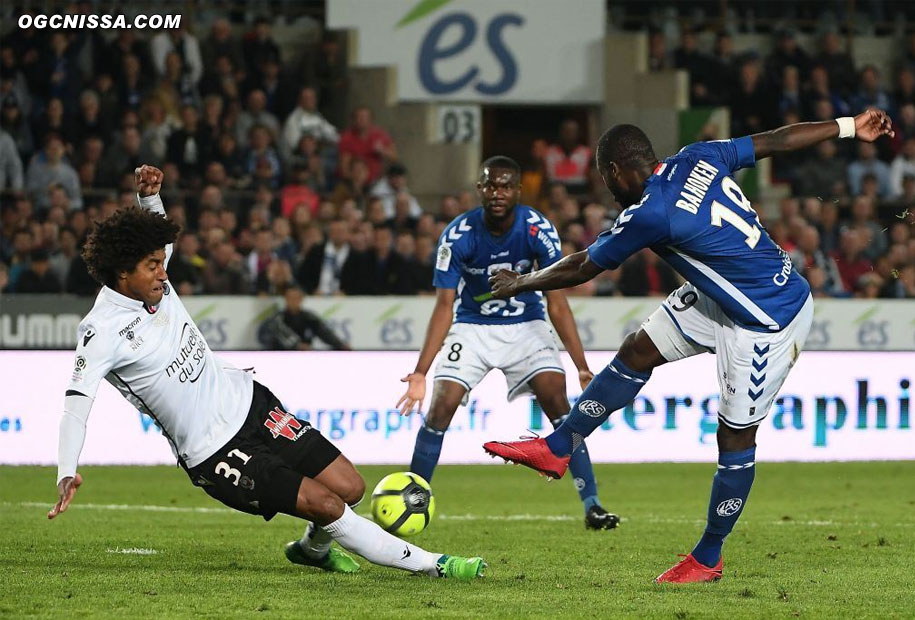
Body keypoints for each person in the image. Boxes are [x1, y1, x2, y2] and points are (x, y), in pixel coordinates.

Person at [483, 110, 894, 582]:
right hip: (727, 295)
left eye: (605, 179)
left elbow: (583, 268)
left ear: (616, 171)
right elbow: (776, 139)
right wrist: (847, 125)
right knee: (638, 349)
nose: (608, 190)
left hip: (768, 320)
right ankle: (558, 447)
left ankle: (708, 556)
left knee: (735, 438)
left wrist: (521, 282)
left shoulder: (650, 212)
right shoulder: (697, 156)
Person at [48, 165, 486, 582]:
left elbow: (154, 238)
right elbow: (76, 404)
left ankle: (311, 550)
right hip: (214, 450)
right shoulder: (100, 330)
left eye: (163, 262)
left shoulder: (154, 281)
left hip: (251, 403)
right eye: (153, 266)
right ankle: (435, 565)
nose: (165, 274)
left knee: (351, 486)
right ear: (122, 272)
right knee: (327, 504)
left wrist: (150, 199)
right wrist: (67, 468)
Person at [395, 156, 619, 530]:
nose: (497, 193)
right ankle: (413, 500)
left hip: (526, 325)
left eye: (504, 186)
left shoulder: (536, 229)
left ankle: (593, 505)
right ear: (479, 189)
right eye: (490, 185)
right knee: (440, 406)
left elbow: (557, 300)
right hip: (472, 327)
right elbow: (443, 306)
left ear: (517, 190)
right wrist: (421, 372)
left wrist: (580, 365)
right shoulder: (458, 235)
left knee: (558, 401)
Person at [259, 285, 350, 351]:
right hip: (280, 356)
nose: (293, 301)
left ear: (301, 299)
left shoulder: (309, 317)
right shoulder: (277, 318)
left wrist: (340, 344)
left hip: (304, 356)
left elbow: (324, 333)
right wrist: (297, 346)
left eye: (296, 298)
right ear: (286, 299)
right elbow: (269, 338)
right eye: (290, 298)